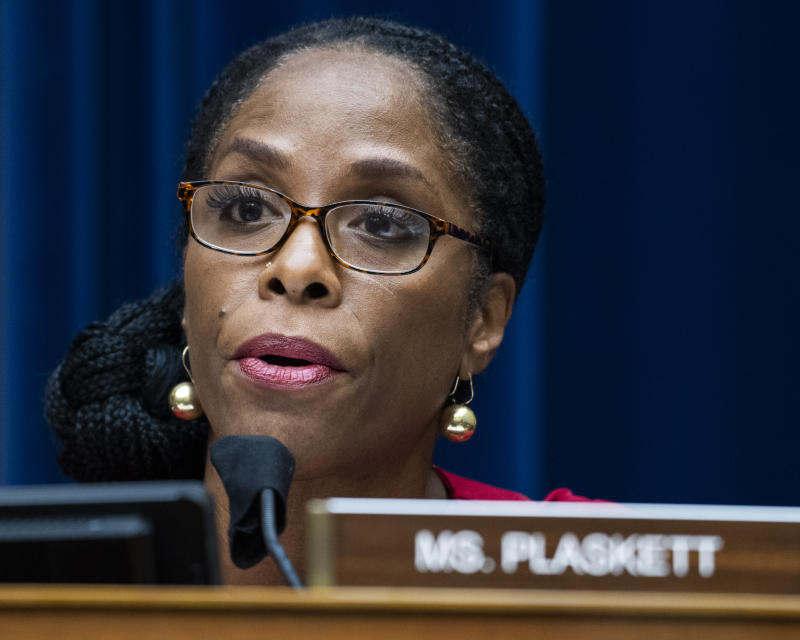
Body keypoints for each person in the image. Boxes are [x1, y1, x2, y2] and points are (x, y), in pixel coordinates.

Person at [45, 16, 593, 586]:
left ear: (483, 319)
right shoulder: (22, 601)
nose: (297, 267)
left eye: (382, 224)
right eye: (246, 210)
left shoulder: (594, 586)